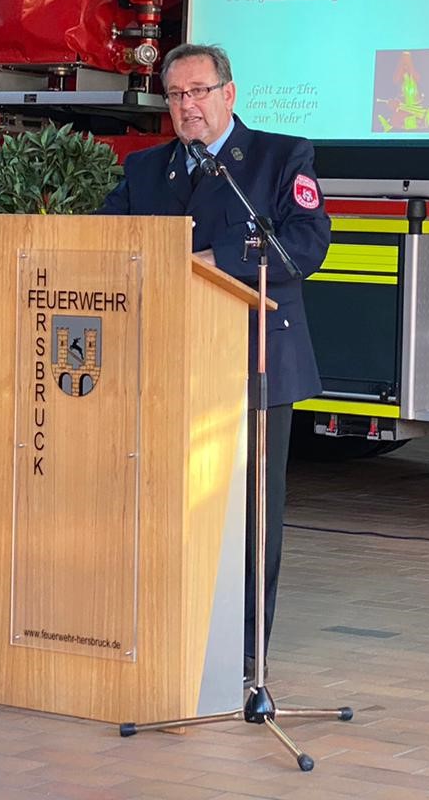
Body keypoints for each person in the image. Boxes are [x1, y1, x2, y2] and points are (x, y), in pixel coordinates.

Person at [99, 43, 331, 673]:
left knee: (253, 517)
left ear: (229, 94)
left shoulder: (281, 157)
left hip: (254, 363)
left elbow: (306, 244)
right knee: (167, 507)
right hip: (166, 367)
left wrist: (212, 262)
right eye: (176, 95)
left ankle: (245, 660)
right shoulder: (146, 169)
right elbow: (105, 239)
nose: (188, 106)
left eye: (199, 91)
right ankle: (169, 645)